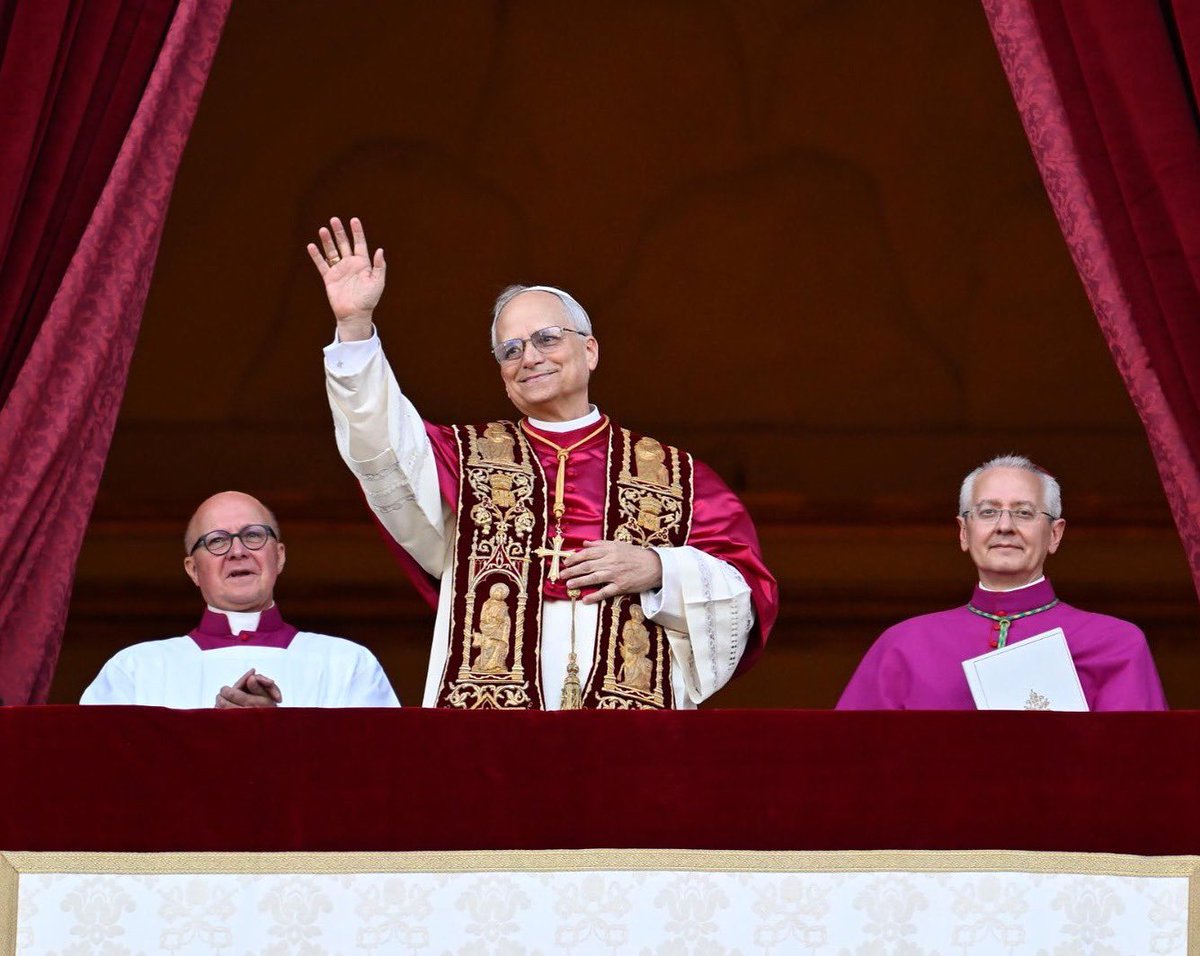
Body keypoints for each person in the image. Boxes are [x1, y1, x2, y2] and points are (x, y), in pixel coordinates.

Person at [310, 217, 778, 709]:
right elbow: (379, 442)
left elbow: (746, 595)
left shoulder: (677, 476)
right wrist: (354, 327)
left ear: (590, 350)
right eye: (510, 350)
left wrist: (661, 567)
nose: (529, 357)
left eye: (547, 338)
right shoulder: (462, 459)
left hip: (628, 735)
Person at [837, 454, 1167, 711]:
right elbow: (848, 762)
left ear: (1054, 534)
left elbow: (1141, 770)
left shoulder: (1116, 644)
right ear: (964, 533)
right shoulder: (903, 646)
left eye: (1024, 513)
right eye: (987, 512)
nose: (1005, 526)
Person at [81, 491, 399, 708]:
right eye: (217, 540)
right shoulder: (135, 669)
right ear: (193, 570)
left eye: (253, 535)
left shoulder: (347, 663)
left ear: (279, 556)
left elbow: (377, 775)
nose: (237, 551)